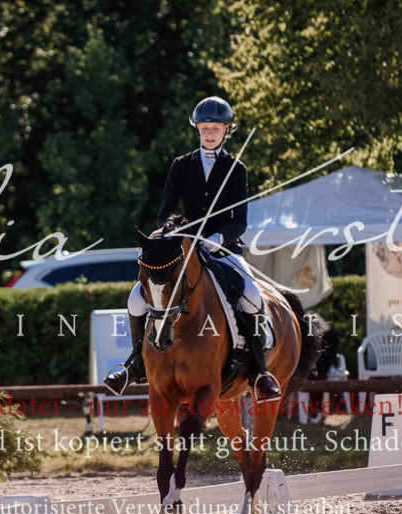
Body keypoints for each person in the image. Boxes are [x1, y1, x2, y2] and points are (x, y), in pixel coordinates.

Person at [103, 96, 282, 402]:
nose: (209, 133)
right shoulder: (181, 166)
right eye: (204, 128)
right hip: (182, 246)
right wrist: (177, 233)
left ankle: (261, 371)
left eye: (216, 128)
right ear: (197, 129)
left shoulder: (236, 169)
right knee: (136, 298)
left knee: (251, 295)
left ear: (227, 130)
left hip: (223, 248)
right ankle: (134, 363)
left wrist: (218, 239)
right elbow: (164, 212)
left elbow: (239, 221)